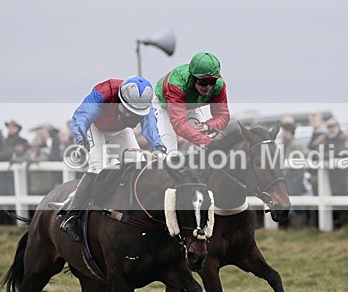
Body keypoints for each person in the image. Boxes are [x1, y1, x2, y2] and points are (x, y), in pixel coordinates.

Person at [58, 76, 166, 241]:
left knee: (137, 166)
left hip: (120, 131)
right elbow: (82, 117)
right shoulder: (104, 92)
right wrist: (81, 141)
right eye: (129, 112)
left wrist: (158, 147)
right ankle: (71, 216)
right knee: (98, 167)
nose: (132, 119)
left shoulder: (144, 103)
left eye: (137, 116)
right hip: (95, 127)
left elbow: (150, 127)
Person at [153, 52, 230, 152]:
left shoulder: (219, 86)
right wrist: (207, 142)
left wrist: (209, 126)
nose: (208, 87)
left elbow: (223, 115)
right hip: (163, 105)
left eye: (212, 82)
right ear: (193, 78)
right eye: (203, 81)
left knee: (205, 143)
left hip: (188, 106)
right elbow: (180, 124)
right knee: (169, 150)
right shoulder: (177, 84)